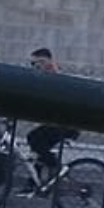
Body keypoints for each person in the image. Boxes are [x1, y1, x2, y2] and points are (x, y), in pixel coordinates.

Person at [18, 46, 75, 194]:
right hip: (58, 123)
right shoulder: (47, 76)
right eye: (33, 64)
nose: (36, 67)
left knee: (35, 140)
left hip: (65, 125)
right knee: (36, 145)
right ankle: (34, 183)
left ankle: (57, 167)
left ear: (47, 62)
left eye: (38, 63)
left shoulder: (52, 76)